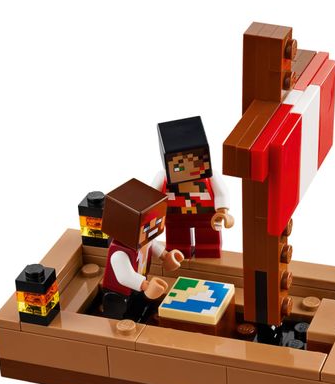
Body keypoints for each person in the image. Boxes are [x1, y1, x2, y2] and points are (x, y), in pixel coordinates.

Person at [99, 178, 184, 321]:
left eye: (157, 222)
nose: (153, 228)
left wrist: (166, 256)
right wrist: (145, 286)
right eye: (148, 226)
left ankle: (140, 315)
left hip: (139, 283)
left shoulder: (144, 240)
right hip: (119, 292)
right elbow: (124, 276)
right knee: (121, 311)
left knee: (139, 304)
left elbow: (153, 245)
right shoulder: (119, 253)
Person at [150, 116, 234, 259]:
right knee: (178, 243)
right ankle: (178, 253)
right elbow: (152, 197)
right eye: (179, 166)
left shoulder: (211, 176)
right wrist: (153, 217)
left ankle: (208, 249)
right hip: (175, 218)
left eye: (196, 162)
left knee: (208, 241)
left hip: (206, 216)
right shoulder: (162, 177)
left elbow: (222, 193)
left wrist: (222, 211)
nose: (189, 168)